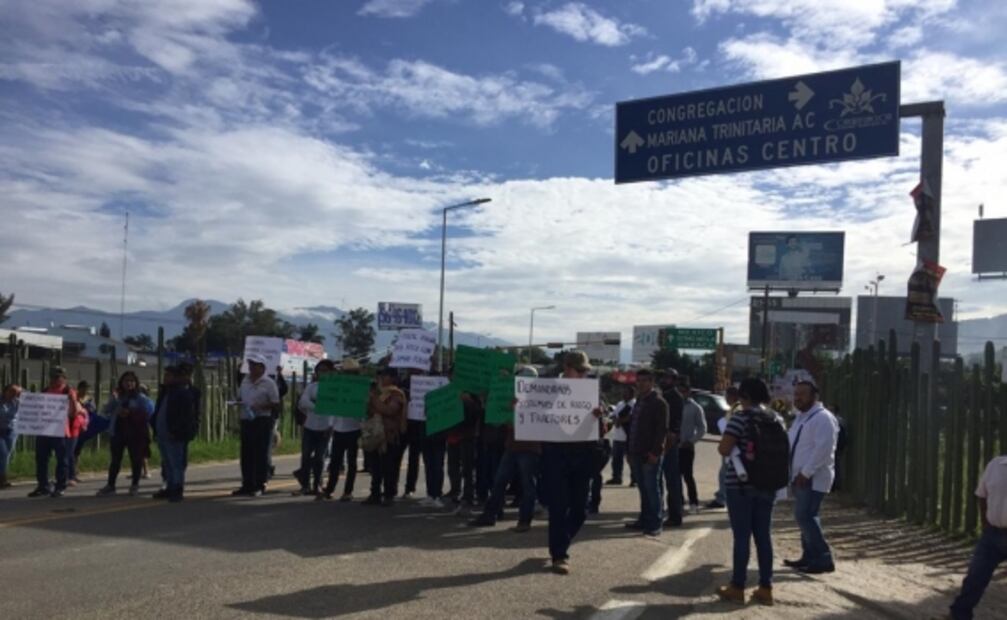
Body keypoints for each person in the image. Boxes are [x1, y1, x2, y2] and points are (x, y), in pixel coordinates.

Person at [716, 377, 783, 606]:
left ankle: (737, 586)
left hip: (741, 486)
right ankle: (766, 588)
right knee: (763, 536)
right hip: (768, 485)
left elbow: (724, 449)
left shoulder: (740, 418)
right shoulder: (777, 419)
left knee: (742, 537)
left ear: (744, 396)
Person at [541, 351, 605, 575]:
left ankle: (561, 542)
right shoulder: (548, 389)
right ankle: (559, 554)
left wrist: (600, 415)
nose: (584, 374)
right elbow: (533, 415)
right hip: (557, 455)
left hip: (583, 456)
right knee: (558, 507)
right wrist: (519, 408)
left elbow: (602, 427)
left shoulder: (591, 392)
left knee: (580, 509)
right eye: (580, 370)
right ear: (568, 368)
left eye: (585, 371)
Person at [469, 366, 541, 531]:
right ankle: (490, 514)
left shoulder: (540, 400)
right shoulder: (512, 397)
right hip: (512, 445)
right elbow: (501, 420)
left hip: (530, 448)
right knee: (499, 482)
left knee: (527, 485)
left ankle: (524, 520)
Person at [786, 380, 839, 574]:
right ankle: (808, 556)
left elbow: (823, 450)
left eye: (802, 394)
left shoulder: (823, 418)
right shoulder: (802, 417)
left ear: (814, 396)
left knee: (806, 516)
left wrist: (806, 472)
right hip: (800, 477)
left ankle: (823, 558)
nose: (797, 397)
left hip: (812, 478)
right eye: (796, 394)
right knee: (804, 517)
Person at [949, 453, 1007, 620]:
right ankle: (959, 615)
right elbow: (982, 494)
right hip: (992, 535)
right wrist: (985, 522)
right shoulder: (996, 465)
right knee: (975, 578)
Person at [625, 369, 668, 537]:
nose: (640, 384)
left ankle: (656, 523)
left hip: (650, 454)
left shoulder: (659, 402)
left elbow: (661, 430)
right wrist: (629, 451)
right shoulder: (638, 401)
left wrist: (655, 452)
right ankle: (644, 519)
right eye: (639, 380)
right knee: (643, 489)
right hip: (635, 451)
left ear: (651, 383)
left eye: (644, 381)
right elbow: (633, 428)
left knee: (652, 489)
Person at [30, 367, 86, 498]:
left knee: (62, 459)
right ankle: (43, 485)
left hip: (61, 431)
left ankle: (60, 486)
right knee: (41, 458)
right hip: (44, 430)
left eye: (58, 377)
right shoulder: (45, 390)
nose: (55, 379)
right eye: (53, 377)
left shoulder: (68, 392)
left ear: (64, 378)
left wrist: (72, 400)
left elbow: (73, 413)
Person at [96, 372, 154, 497]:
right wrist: (116, 407)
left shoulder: (141, 398)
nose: (129, 383)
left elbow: (149, 413)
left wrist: (131, 413)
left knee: (136, 459)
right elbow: (105, 411)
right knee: (115, 460)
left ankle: (135, 485)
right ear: (121, 383)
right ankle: (111, 485)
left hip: (135, 433)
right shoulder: (118, 397)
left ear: (136, 383)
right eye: (126, 381)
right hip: (118, 431)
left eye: (132, 381)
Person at [152, 363, 201, 502]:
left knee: (176, 462)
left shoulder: (183, 393)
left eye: (169, 375)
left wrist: (177, 431)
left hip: (174, 433)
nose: (165, 378)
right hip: (163, 432)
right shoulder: (166, 392)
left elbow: (185, 416)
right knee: (167, 462)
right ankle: (170, 486)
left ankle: (177, 488)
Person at [234, 354, 280, 497]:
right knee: (247, 452)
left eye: (256, 365)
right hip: (247, 419)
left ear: (263, 367)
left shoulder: (268, 383)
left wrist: (261, 406)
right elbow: (240, 397)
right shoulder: (245, 381)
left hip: (262, 420)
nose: (252, 367)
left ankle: (260, 484)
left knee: (260, 453)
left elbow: (275, 403)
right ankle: (247, 483)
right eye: (251, 364)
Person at [320, 359, 363, 501]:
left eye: (350, 372)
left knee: (351, 463)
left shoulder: (360, 387)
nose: (347, 374)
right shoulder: (338, 386)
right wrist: (331, 425)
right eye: (346, 371)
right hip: (339, 429)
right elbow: (333, 407)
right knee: (335, 462)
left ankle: (348, 491)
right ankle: (330, 489)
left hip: (354, 429)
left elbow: (363, 410)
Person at [364, 367, 407, 506]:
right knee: (375, 467)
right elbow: (369, 411)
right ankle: (375, 493)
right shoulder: (378, 393)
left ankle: (389, 495)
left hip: (389, 435)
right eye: (381, 375)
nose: (382, 378)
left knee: (389, 467)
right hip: (375, 434)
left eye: (385, 376)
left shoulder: (397, 394)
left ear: (393, 378)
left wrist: (374, 400)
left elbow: (389, 410)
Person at [295, 359, 335, 497]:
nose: (321, 373)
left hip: (326, 427)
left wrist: (330, 425)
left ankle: (317, 484)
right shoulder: (311, 387)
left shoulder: (335, 389)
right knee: (305, 456)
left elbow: (335, 409)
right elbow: (303, 402)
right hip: (310, 426)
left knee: (319, 457)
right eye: (319, 371)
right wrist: (320, 406)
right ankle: (304, 485)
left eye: (325, 371)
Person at [707, 386, 740, 509]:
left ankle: (722, 498)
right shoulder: (733, 408)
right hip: (731, 445)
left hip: (732, 447)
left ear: (732, 396)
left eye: (727, 396)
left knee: (725, 473)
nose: (726, 398)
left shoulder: (737, 409)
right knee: (725, 473)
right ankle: (723, 496)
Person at [678, 377, 707, 515]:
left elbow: (702, 428)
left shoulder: (696, 408)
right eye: (679, 391)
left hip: (687, 448)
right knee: (674, 477)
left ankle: (694, 502)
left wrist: (691, 441)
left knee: (688, 476)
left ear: (688, 392)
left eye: (683, 391)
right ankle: (678, 502)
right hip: (672, 447)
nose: (681, 393)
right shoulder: (672, 405)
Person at [660, 370, 685, 528]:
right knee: (663, 480)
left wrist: (668, 442)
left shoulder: (674, 397)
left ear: (675, 380)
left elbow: (673, 424)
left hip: (669, 441)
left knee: (672, 480)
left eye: (668, 377)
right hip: (663, 440)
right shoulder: (665, 394)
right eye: (664, 377)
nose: (665, 379)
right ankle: (663, 512)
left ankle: (675, 515)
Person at [72, 381, 109, 483]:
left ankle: (74, 471)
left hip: (83, 428)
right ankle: (70, 473)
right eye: (83, 388)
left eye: (86, 389)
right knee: (72, 451)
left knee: (77, 451)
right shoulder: (73, 398)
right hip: (74, 428)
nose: (85, 391)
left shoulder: (89, 400)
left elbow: (92, 412)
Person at [606, 384, 636, 486]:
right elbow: (613, 415)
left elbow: (632, 417)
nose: (624, 394)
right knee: (616, 459)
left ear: (632, 394)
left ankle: (634, 479)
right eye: (623, 392)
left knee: (631, 459)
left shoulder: (634, 404)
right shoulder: (620, 404)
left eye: (626, 392)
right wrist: (616, 420)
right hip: (618, 436)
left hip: (628, 436)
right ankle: (616, 477)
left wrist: (620, 421)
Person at [0, 384, 22, 489]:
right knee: (3, 453)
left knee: (7, 455)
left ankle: (3, 475)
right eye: (12, 391)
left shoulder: (18, 402)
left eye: (18, 393)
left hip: (11, 431)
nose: (15, 394)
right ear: (5, 391)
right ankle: (2, 478)